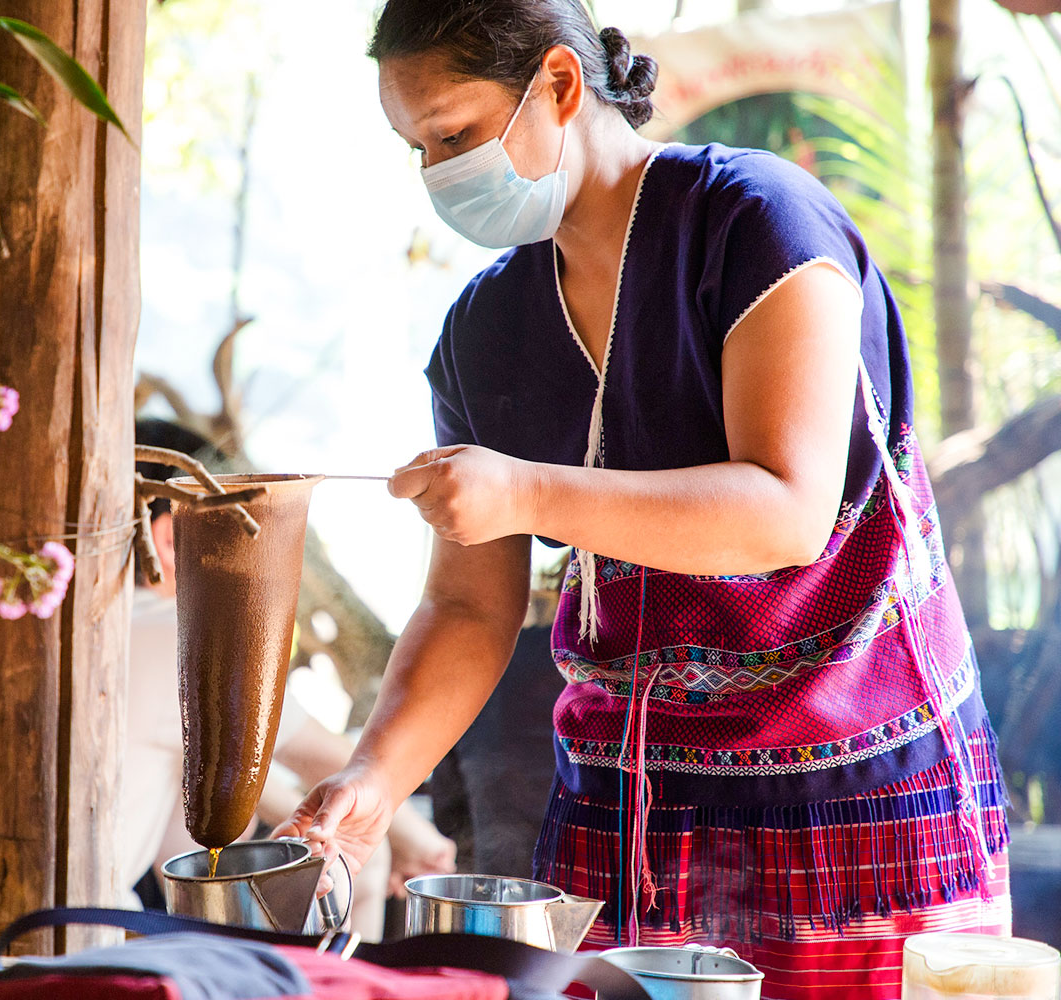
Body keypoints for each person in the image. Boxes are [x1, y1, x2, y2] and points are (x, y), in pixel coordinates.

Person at [275, 2, 1011, 995]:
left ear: (561, 86)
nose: (434, 173)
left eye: (450, 134)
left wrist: (524, 488)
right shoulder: (487, 329)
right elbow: (467, 605)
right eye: (413, 147)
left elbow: (782, 512)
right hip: (629, 815)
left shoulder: (755, 223)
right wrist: (371, 781)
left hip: (858, 810)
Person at [121, 419, 455, 940]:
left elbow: (209, 819)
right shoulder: (174, 641)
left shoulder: (109, 635)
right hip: (76, 941)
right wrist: (418, 836)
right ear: (171, 538)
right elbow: (325, 757)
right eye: (239, 529)